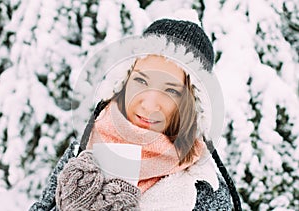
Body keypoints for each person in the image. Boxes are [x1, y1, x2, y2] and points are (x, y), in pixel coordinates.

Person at [29, 19, 242, 210]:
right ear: (123, 83)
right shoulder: (84, 149)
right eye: (141, 81)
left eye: (170, 91)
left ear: (191, 105)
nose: (149, 105)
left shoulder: (204, 192)